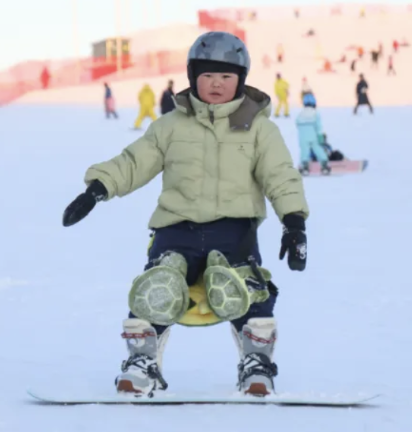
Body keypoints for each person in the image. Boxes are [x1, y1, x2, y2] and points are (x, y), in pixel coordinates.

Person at [61, 31, 309, 397]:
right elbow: (134, 162)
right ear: (193, 77)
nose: (216, 84)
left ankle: (257, 364)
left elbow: (281, 175)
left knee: (247, 289)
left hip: (234, 232)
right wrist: (97, 188)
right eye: (207, 75)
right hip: (176, 231)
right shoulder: (171, 126)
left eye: (226, 76)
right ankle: (141, 363)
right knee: (157, 286)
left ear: (241, 79)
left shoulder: (259, 129)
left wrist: (294, 222)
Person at [295, 92, 331, 176]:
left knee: (304, 151)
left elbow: (297, 123)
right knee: (318, 149)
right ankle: (324, 165)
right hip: (313, 135)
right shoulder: (315, 113)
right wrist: (320, 136)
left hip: (302, 136)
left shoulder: (301, 113)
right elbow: (318, 126)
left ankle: (304, 166)